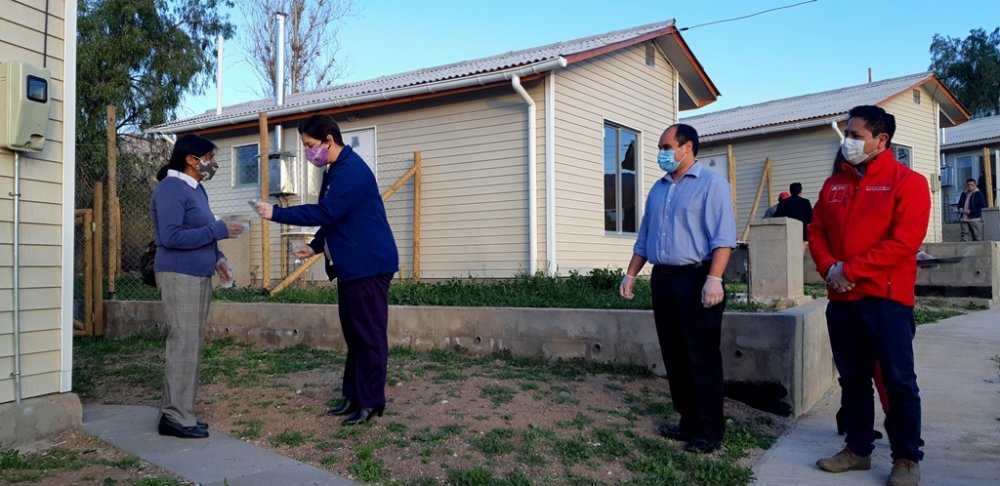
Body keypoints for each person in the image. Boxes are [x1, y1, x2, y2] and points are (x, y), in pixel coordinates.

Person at [252, 114, 399, 426]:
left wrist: (277, 213)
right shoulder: (335, 170)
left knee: (369, 336)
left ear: (329, 139)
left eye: (310, 145)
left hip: (368, 265)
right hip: (353, 266)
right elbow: (337, 218)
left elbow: (327, 211)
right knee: (355, 335)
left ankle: (371, 401)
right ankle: (353, 396)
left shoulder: (351, 171)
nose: (308, 152)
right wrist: (316, 246)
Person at [808, 105, 928, 486]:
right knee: (852, 379)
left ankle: (906, 458)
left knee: (898, 381)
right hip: (842, 300)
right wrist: (830, 268)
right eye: (847, 134)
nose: (848, 142)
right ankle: (857, 449)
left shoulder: (907, 182)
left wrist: (850, 271)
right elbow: (816, 231)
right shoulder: (834, 185)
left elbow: (904, 242)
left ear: (881, 140)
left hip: (886, 301)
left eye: (856, 135)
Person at [619, 123, 736, 454]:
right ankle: (688, 420)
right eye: (660, 147)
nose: (661, 153)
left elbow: (723, 238)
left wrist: (714, 279)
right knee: (675, 353)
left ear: (688, 148)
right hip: (664, 279)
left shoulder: (712, 184)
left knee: (702, 355)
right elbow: (645, 238)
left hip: (697, 278)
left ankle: (710, 428)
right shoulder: (658, 189)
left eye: (666, 147)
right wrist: (631, 274)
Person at [151, 134, 244, 439]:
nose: (213, 163)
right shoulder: (171, 189)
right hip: (179, 275)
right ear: (191, 160)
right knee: (183, 344)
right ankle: (175, 417)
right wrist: (218, 230)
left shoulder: (195, 189)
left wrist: (218, 258)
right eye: (210, 157)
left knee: (190, 345)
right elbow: (171, 237)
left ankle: (180, 412)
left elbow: (201, 232)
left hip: (196, 274)